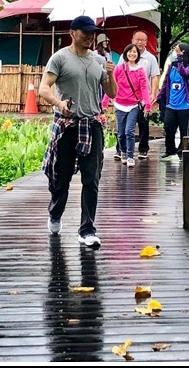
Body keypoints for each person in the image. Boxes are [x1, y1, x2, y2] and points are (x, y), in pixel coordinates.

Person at [39, 15, 117, 249]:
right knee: (61, 178)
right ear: (72, 32)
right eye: (85, 32)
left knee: (92, 179)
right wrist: (58, 103)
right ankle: (55, 213)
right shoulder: (60, 58)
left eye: (92, 32)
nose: (90, 36)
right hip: (67, 125)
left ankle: (87, 230)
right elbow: (44, 88)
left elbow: (111, 93)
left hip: (92, 125)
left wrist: (111, 73)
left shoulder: (99, 61)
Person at [102, 44, 151, 167]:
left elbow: (144, 88)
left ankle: (130, 156)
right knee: (121, 133)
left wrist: (147, 105)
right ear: (126, 53)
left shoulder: (140, 70)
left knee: (129, 131)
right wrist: (105, 101)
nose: (132, 54)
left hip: (133, 105)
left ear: (138, 55)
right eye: (130, 51)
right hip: (119, 104)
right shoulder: (119, 68)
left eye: (134, 52)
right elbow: (111, 84)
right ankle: (123, 152)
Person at [157, 42, 189, 160]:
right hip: (171, 104)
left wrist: (180, 59)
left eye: (177, 50)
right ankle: (170, 150)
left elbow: (184, 73)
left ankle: (182, 151)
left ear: (183, 52)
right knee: (169, 128)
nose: (174, 52)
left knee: (184, 130)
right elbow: (166, 83)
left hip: (185, 105)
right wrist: (159, 97)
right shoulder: (172, 67)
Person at [128, 31, 160, 160]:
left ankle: (143, 149)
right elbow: (117, 75)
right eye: (137, 39)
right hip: (127, 97)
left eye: (143, 40)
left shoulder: (150, 58)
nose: (140, 42)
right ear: (132, 40)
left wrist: (153, 93)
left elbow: (154, 77)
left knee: (143, 123)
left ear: (146, 42)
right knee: (125, 125)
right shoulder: (126, 55)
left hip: (143, 97)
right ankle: (121, 149)